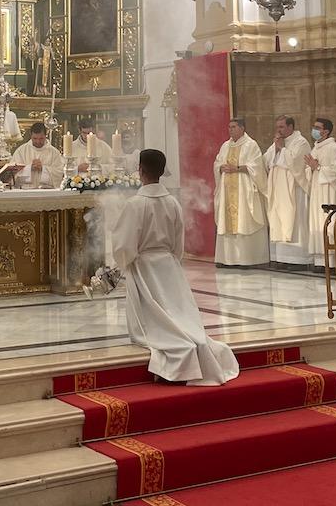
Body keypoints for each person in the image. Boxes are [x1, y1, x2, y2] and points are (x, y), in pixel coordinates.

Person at [111, 149, 239, 386]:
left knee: (156, 322)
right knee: (177, 312)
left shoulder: (135, 204)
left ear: (140, 171)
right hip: (168, 265)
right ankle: (195, 343)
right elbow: (178, 241)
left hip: (145, 267)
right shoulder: (172, 202)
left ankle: (182, 353)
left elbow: (125, 245)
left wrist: (123, 263)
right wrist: (171, 261)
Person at [212, 118, 268, 267]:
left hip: (244, 189)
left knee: (244, 221)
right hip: (227, 189)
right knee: (227, 221)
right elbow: (217, 162)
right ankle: (227, 259)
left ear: (242, 128)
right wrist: (220, 167)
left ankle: (247, 259)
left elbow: (257, 166)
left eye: (234, 127)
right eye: (229, 127)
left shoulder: (251, 145)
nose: (230, 130)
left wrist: (236, 168)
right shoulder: (225, 145)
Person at [263, 115, 311, 253]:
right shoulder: (277, 143)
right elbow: (266, 161)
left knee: (295, 222)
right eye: (277, 127)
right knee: (278, 219)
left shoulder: (301, 142)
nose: (279, 130)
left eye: (282, 127)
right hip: (278, 189)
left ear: (290, 127)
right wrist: (277, 149)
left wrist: (282, 149)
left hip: (294, 189)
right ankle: (281, 256)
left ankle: (297, 257)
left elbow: (296, 163)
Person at [304, 118, 336, 267]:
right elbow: (309, 169)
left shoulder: (333, 148)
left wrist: (318, 167)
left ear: (326, 131)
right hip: (316, 189)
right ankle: (320, 261)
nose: (314, 130)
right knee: (316, 221)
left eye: (317, 127)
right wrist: (311, 168)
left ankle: (332, 262)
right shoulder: (315, 148)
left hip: (329, 190)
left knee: (328, 222)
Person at [8, 122, 64, 189]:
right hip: (25, 190)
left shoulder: (54, 152)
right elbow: (12, 174)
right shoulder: (21, 151)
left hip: (47, 191)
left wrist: (43, 169)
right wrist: (30, 168)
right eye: (35, 138)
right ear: (31, 136)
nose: (38, 141)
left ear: (45, 136)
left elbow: (59, 173)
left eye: (41, 139)